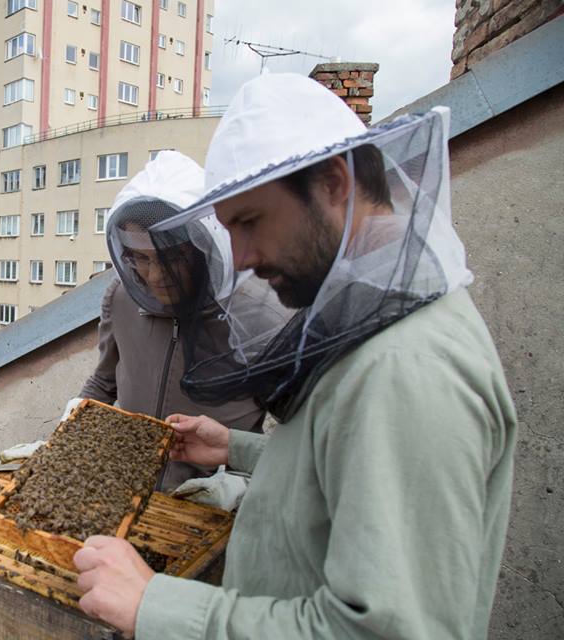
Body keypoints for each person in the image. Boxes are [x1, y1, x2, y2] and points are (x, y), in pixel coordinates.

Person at [73, 73, 517, 639]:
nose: (242, 257)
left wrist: (153, 606)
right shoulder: (379, 332)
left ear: (334, 183)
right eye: (229, 229)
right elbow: (335, 467)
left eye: (251, 221)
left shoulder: (404, 369)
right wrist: (236, 446)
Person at [75, 151, 288, 490]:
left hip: (214, 517)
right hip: (124, 496)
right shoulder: (120, 297)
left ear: (203, 248)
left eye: (172, 258)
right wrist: (68, 429)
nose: (156, 276)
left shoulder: (262, 318)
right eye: (141, 259)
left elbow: (305, 445)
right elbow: (104, 384)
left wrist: (238, 486)